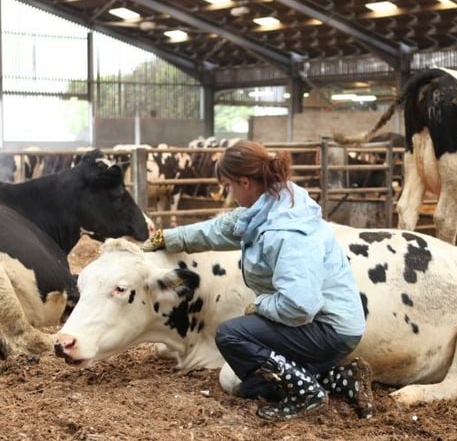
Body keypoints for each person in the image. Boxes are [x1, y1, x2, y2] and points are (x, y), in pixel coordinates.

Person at [141, 140, 373, 422]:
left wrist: (259, 306)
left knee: (231, 335)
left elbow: (300, 305)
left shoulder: (284, 232)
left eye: (228, 185)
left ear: (245, 182)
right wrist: (167, 239)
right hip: (322, 321)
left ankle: (306, 395)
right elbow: (219, 229)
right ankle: (338, 378)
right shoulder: (272, 205)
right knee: (250, 385)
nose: (227, 192)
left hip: (329, 327)